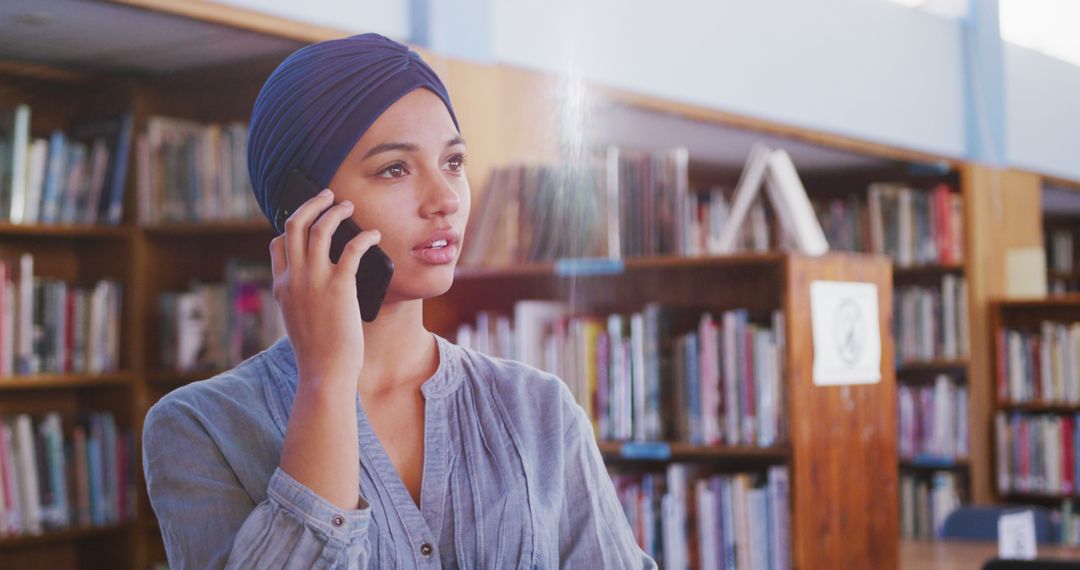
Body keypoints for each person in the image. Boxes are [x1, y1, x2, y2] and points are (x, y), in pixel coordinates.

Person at [141, 32, 657, 569]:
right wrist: (326, 381)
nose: (446, 199)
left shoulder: (539, 408)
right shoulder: (198, 426)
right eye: (395, 169)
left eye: (453, 162)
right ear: (305, 205)